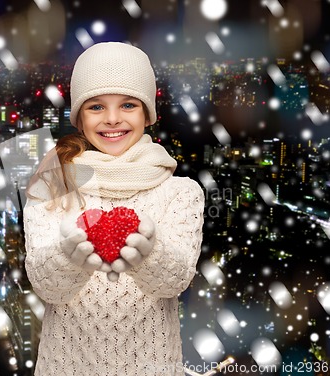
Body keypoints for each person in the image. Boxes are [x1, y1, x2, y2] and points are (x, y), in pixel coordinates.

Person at [24, 41, 205, 376]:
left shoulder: (181, 193)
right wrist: (69, 253)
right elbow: (46, 286)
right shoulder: (51, 187)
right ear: (79, 117)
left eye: (127, 104)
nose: (112, 119)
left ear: (147, 113)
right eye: (95, 107)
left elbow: (174, 282)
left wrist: (147, 253)